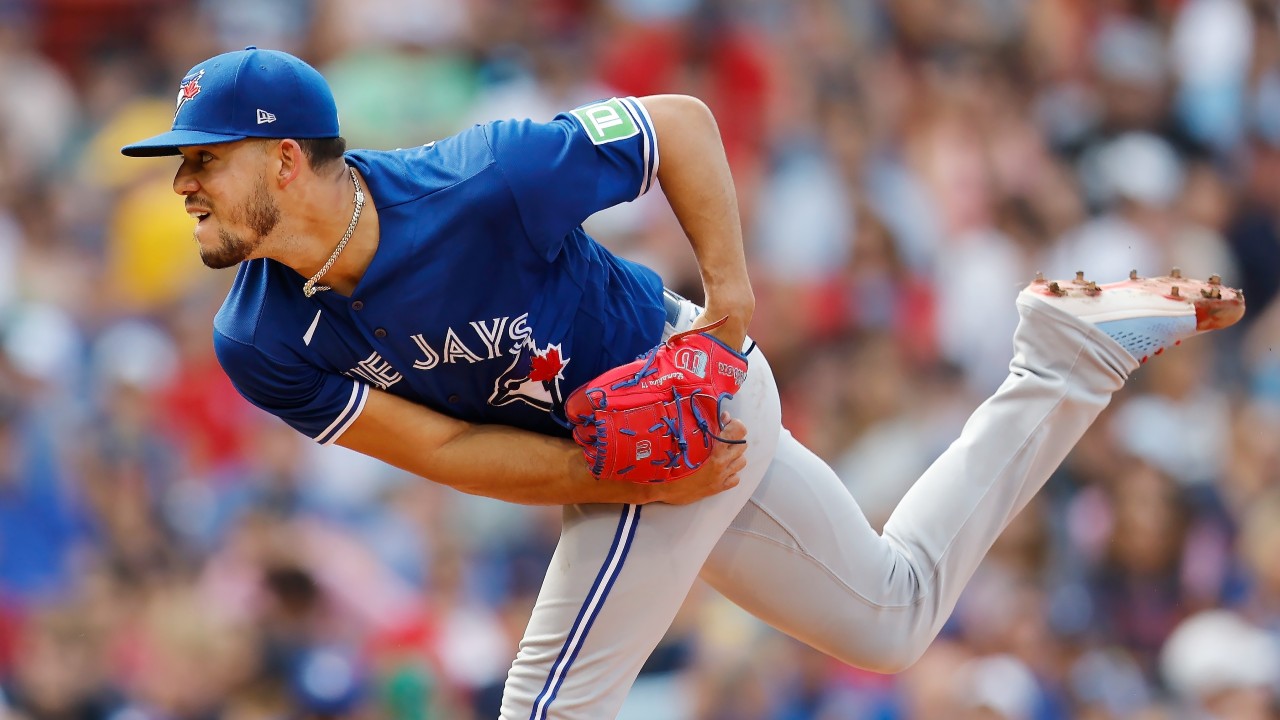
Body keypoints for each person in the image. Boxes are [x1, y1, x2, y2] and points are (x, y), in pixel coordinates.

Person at [121, 47, 1244, 720]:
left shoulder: (478, 180)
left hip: (681, 382)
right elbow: (446, 454)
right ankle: (1062, 359)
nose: (182, 184)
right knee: (892, 618)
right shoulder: (256, 337)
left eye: (201, 159)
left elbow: (680, 127)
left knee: (547, 708)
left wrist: (732, 310)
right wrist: (618, 476)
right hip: (621, 455)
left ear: (281, 159)